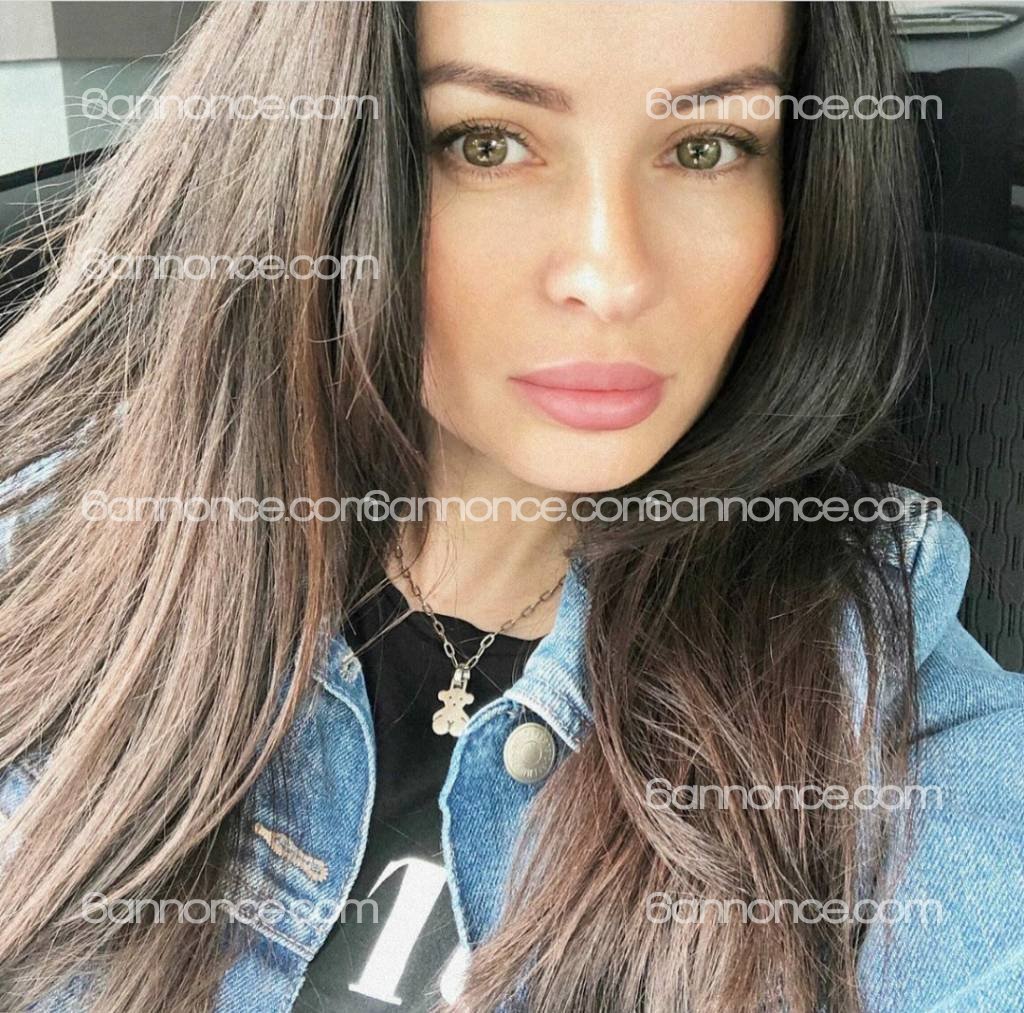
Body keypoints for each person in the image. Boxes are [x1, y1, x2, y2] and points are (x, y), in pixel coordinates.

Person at [0, 2, 1021, 1012]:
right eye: (487, 143)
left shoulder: (884, 724)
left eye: (706, 148)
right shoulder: (54, 545)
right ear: (320, 163)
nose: (611, 277)